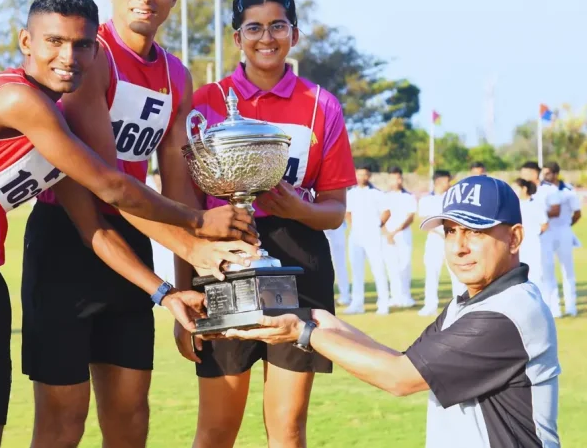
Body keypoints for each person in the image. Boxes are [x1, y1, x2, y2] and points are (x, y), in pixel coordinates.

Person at [0, 0, 256, 448]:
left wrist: (166, 293)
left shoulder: (58, 125)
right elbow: (113, 186)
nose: (68, 57)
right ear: (26, 42)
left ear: (96, 50)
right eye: (54, 41)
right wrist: (198, 222)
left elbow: (94, 228)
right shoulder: (17, 100)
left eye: (81, 44)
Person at [21, 0, 239, 448]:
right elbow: (110, 186)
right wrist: (193, 241)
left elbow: (179, 191)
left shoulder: (176, 76)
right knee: (63, 421)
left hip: (138, 239)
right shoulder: (90, 57)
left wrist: (186, 290)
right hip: (67, 241)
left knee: (130, 416)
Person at [225, 175, 562, 448]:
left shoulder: (507, 312)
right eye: (451, 231)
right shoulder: (475, 302)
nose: (459, 247)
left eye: (475, 231)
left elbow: (399, 377)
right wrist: (319, 320)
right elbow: (402, 360)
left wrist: (304, 333)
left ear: (514, 239)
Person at [184, 0, 356, 448]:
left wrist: (299, 208)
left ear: (294, 34)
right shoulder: (206, 101)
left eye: (278, 26)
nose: (266, 37)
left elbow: (335, 210)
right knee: (216, 430)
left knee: (288, 429)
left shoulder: (322, 104)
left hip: (300, 262)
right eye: (253, 28)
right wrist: (185, 290)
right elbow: (188, 208)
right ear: (236, 38)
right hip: (225, 261)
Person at [416, 170, 465, 316]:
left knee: (456, 274)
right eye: (446, 181)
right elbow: (423, 220)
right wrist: (440, 232)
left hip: (451, 240)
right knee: (432, 273)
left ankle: (459, 305)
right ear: (438, 181)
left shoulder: (453, 199)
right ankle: (430, 305)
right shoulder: (426, 200)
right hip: (434, 240)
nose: (449, 183)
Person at [345, 164, 390, 314]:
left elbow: (387, 212)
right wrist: (352, 226)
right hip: (356, 236)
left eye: (365, 174)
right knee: (356, 271)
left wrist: (377, 225)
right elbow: (347, 212)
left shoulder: (377, 193)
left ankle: (383, 304)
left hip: (373, 235)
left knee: (378, 268)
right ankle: (357, 304)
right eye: (359, 174)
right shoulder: (351, 193)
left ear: (369, 176)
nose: (362, 177)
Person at [519, 161, 563, 317]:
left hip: (545, 236)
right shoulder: (522, 193)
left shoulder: (549, 189)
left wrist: (535, 214)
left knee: (547, 273)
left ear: (533, 173)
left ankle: (554, 309)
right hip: (528, 240)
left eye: (525, 172)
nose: (522, 175)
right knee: (530, 274)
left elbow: (556, 211)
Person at [541, 162, 581, 317]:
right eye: (543, 173)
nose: (545, 176)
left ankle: (571, 307)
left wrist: (566, 225)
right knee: (548, 271)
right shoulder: (541, 189)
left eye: (548, 173)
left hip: (563, 231)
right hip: (547, 233)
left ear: (556, 174)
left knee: (567, 270)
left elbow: (577, 213)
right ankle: (554, 308)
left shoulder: (568, 190)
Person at [381, 166, 417, 307]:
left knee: (405, 265)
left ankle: (406, 297)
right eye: (393, 178)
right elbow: (381, 218)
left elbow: (410, 217)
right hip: (388, 237)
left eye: (398, 178)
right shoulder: (384, 197)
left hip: (403, 234)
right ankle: (395, 297)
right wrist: (387, 233)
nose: (396, 181)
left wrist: (396, 231)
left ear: (401, 179)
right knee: (391, 267)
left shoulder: (408, 197)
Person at [512, 178, 549, 296]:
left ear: (524, 189)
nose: (514, 191)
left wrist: (534, 234)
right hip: (518, 243)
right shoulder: (514, 204)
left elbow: (544, 224)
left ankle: (540, 299)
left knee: (536, 273)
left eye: (516, 188)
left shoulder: (536, 204)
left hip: (533, 243)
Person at [324, 216, 351, 306]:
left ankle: (345, 296)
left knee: (340, 265)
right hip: (320, 226)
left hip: (335, 226)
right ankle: (328, 296)